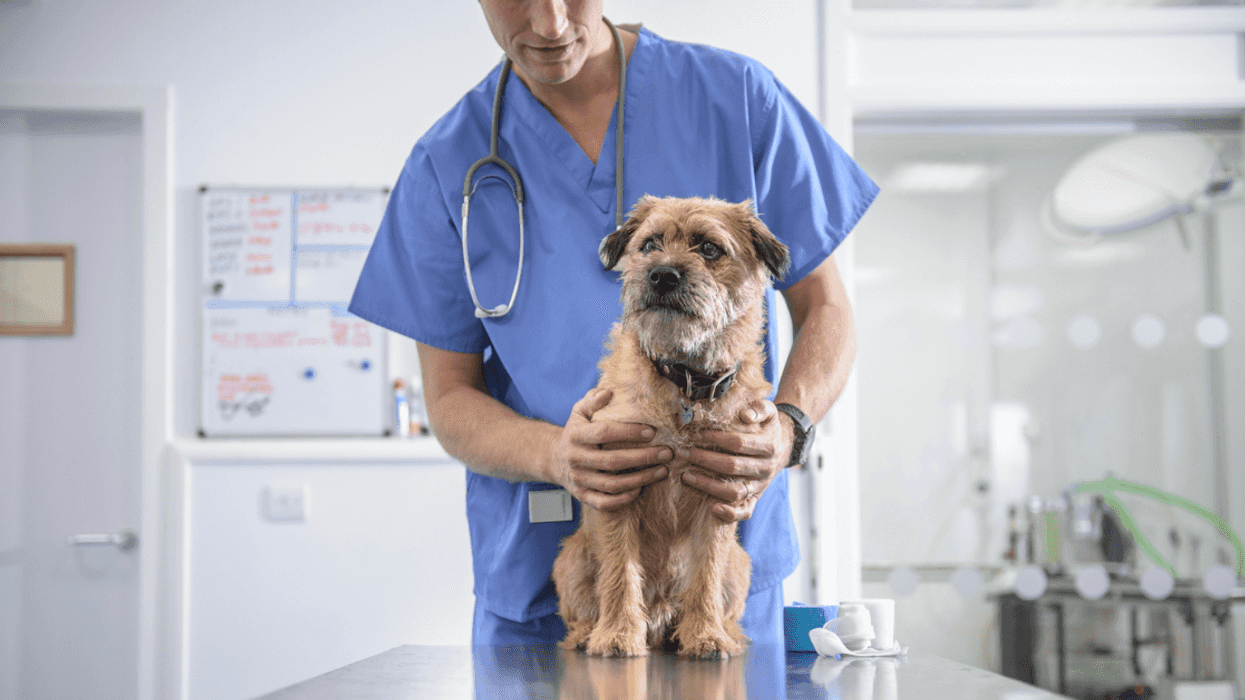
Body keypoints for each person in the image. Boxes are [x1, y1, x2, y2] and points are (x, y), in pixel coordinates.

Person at [348, 0, 878, 648]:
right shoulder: (445, 161)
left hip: (719, 570)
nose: (549, 24)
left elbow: (825, 307)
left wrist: (788, 428)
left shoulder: (737, 99)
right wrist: (556, 455)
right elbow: (449, 396)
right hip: (546, 578)